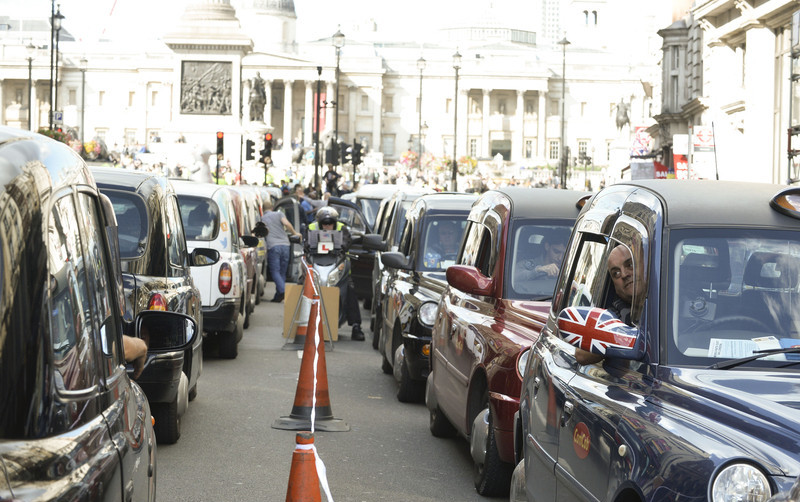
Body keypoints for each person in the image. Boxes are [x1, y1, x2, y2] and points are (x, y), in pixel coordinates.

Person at [306, 206, 365, 341]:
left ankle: (356, 326)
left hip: (339, 268)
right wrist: (306, 247)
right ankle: (299, 322)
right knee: (300, 284)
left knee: (350, 291)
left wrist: (342, 247)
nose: (327, 226)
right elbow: (306, 242)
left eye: (330, 223)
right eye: (325, 224)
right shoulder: (311, 227)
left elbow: (347, 241)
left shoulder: (342, 228)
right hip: (315, 266)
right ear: (320, 223)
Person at [575, 244, 637, 365]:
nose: (624, 274)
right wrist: (624, 338)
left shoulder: (675, 300)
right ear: (615, 286)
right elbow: (581, 355)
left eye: (630, 265)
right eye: (616, 273)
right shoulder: (615, 314)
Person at [261, 198, 302, 303]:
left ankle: (283, 290)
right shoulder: (279, 214)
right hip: (285, 245)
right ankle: (278, 296)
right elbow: (287, 224)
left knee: (275, 271)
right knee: (282, 272)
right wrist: (294, 233)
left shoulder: (262, 219)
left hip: (273, 247)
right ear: (272, 208)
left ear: (262, 209)